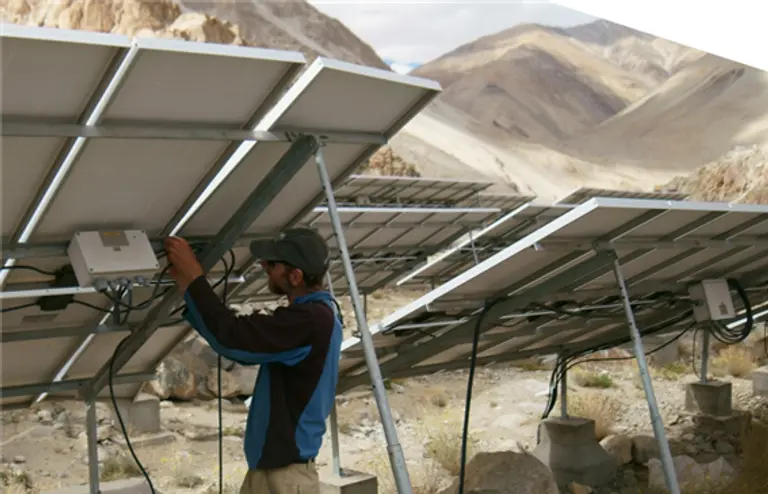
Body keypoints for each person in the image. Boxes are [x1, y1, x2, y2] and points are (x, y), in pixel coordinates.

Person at [164, 228, 343, 494]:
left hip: (286, 477)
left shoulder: (310, 321)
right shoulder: (318, 315)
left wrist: (194, 280)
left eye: (272, 264)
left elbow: (234, 338)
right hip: (275, 470)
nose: (263, 267)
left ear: (295, 276)